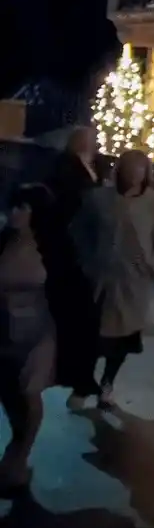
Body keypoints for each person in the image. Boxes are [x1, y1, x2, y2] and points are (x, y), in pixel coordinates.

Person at [70, 150, 154, 406]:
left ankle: (108, 383)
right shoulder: (99, 199)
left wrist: (153, 265)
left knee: (121, 340)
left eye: (138, 170)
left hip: (132, 283)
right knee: (92, 338)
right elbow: (80, 230)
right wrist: (85, 261)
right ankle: (83, 385)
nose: (133, 176)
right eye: (129, 169)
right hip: (101, 279)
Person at [41, 126, 103, 409]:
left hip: (88, 246)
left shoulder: (97, 164)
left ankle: (80, 375)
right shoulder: (64, 166)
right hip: (67, 245)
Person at [1, 183, 57, 491]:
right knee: (10, 393)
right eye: (13, 206)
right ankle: (15, 452)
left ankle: (17, 458)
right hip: (5, 330)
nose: (14, 212)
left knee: (27, 392)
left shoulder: (47, 246)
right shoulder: (5, 240)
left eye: (23, 207)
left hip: (36, 332)